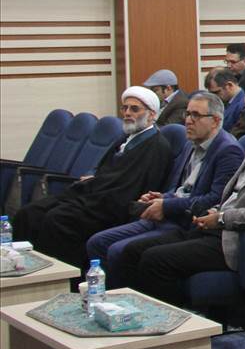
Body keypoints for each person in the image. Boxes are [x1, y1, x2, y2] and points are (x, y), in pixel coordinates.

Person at [128, 87, 245, 307]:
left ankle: (182, 324)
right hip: (213, 230)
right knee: (135, 250)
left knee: (155, 260)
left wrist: (222, 217)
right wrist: (215, 211)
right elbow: (234, 196)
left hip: (238, 241)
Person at [89, 92, 241, 288]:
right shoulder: (191, 143)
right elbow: (181, 189)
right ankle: (103, 297)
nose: (188, 120)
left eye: (196, 115)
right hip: (168, 215)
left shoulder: (228, 150)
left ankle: (126, 301)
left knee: (121, 250)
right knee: (98, 242)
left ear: (215, 121)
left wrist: (167, 205)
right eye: (188, 114)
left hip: (185, 223)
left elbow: (215, 199)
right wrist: (162, 197)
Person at [14, 87, 175, 269]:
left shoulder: (156, 146)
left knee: (57, 219)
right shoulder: (126, 138)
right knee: (29, 213)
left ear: (152, 115)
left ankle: (61, 277)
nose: (128, 113)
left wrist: (94, 185)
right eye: (125, 108)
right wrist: (93, 182)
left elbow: (130, 188)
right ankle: (23, 270)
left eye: (134, 109)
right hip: (96, 195)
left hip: (112, 206)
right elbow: (104, 172)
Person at [209, 68, 245, 135]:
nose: (214, 97)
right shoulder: (226, 102)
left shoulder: (244, 105)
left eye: (217, 92)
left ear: (229, 85)